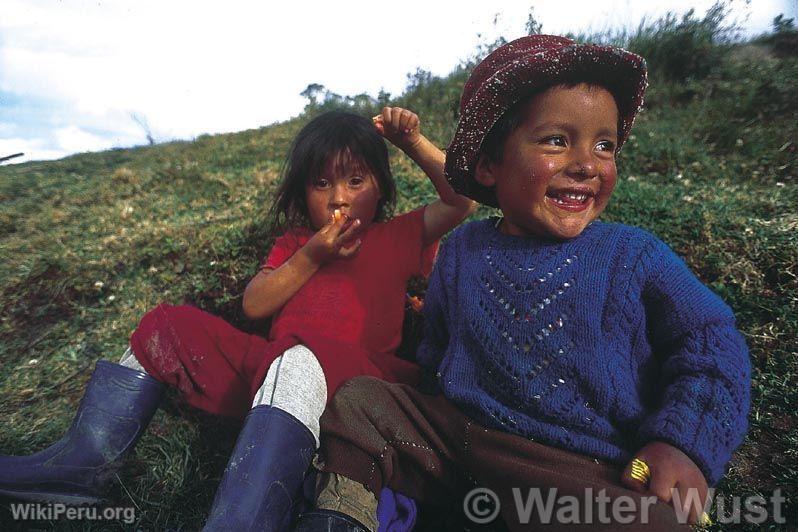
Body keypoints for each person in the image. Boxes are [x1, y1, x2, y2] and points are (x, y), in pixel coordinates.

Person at [293, 35, 752, 532]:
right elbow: (436, 350)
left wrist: (679, 443)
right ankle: (340, 518)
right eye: (557, 140)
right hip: (459, 445)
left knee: (662, 521)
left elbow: (710, 340)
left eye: (605, 145)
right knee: (363, 402)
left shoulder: (631, 254)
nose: (587, 164)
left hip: (582, 472)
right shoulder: (462, 250)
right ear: (490, 164)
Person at [0, 107, 476, 530]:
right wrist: (310, 255)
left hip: (357, 389)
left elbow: (462, 201)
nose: (338, 199)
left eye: (356, 181)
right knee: (169, 326)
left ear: (381, 186)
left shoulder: (397, 235)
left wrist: (411, 141)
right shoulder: (295, 243)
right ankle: (84, 463)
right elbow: (255, 305)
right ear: (301, 191)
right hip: (271, 374)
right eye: (322, 183)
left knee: (299, 357)